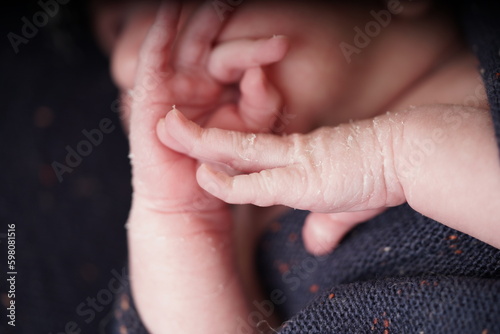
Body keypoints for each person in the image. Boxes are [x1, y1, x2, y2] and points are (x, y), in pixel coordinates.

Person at [89, 0, 500, 332]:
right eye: (117, 30)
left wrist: (394, 160)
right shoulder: (243, 221)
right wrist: (180, 216)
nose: (127, 64)